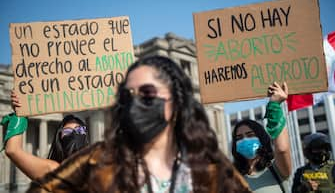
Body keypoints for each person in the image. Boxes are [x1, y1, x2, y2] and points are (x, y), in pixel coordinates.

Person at [26, 55, 252, 193]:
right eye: (128, 95)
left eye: (147, 93)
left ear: (176, 99)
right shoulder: (97, 161)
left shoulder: (213, 169)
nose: (136, 102)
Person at [1, 91, 89, 180]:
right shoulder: (53, 170)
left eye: (79, 130)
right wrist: (20, 113)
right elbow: (12, 150)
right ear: (59, 138)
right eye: (68, 131)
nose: (74, 134)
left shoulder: (98, 169)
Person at [231, 82, 292, 193]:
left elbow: (282, 149)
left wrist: (274, 106)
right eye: (239, 137)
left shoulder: (277, 169)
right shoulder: (231, 178)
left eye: (250, 135)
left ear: (262, 139)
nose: (244, 140)